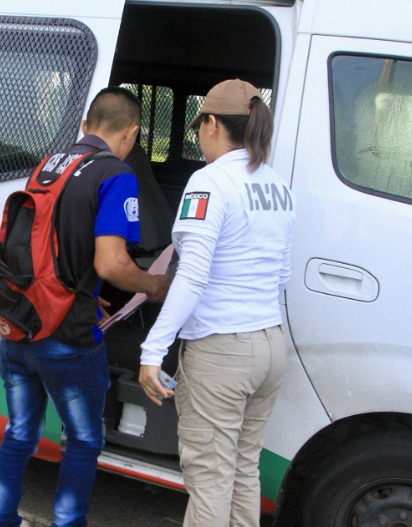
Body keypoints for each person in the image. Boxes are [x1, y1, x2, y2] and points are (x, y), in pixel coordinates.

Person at [0, 87, 172, 527]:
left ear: (86, 126)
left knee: (19, 434)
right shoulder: (117, 173)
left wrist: (81, 287)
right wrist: (154, 286)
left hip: (20, 325)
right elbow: (111, 262)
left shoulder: (49, 165)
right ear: (131, 133)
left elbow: (40, 246)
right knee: (85, 440)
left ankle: (0, 520)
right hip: (68, 339)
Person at [138, 79, 295, 527]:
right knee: (243, 469)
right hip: (270, 345)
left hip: (222, 352)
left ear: (210, 124)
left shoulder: (208, 183)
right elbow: (281, 274)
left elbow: (191, 274)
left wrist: (152, 351)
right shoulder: (277, 186)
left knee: (209, 480)